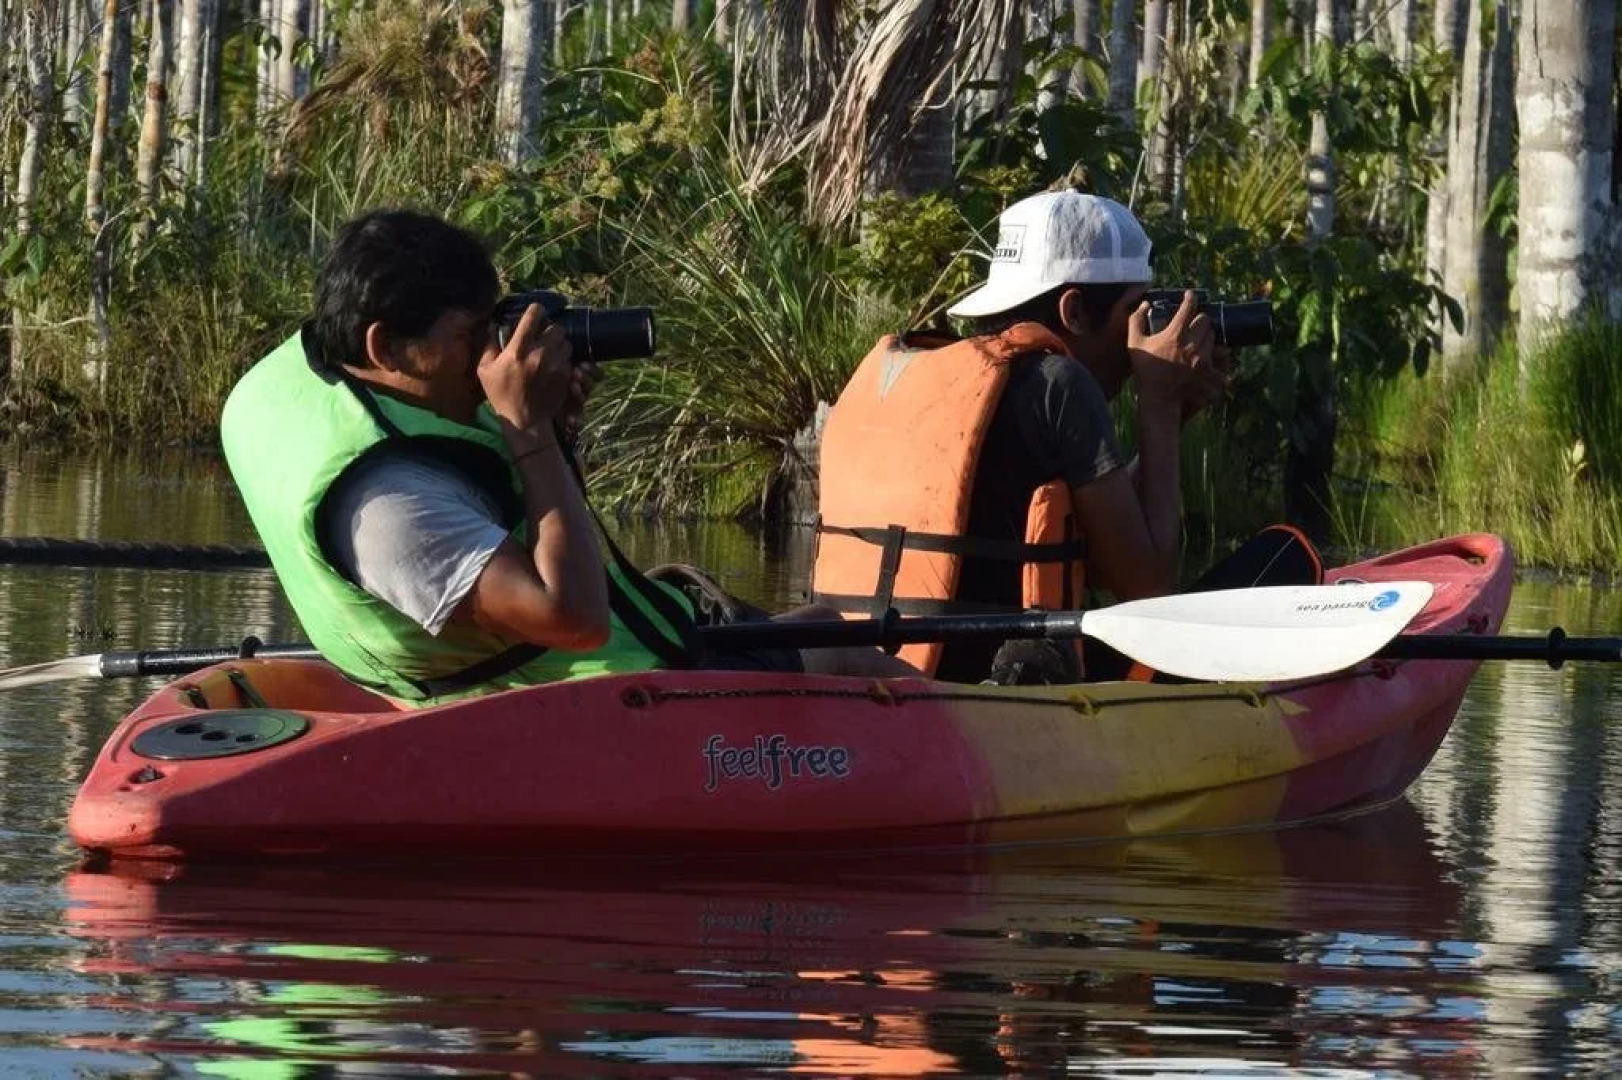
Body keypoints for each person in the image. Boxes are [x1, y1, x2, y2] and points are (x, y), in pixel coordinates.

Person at [221, 210, 910, 707]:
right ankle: (998, 760)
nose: (493, 354)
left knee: (821, 620)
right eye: (470, 335)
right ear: (386, 347)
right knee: (846, 653)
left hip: (557, 667)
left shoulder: (320, 383)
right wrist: (529, 430)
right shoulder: (392, 510)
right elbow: (575, 621)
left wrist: (555, 434)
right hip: (563, 704)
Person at [813, 189, 1228, 683]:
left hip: (874, 677)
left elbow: (1102, 557)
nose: (1144, 336)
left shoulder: (933, 373)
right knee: (1275, 560)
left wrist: (1175, 411)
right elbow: (1147, 592)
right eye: (1135, 312)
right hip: (987, 699)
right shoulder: (1060, 384)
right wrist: (1157, 408)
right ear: (1074, 311)